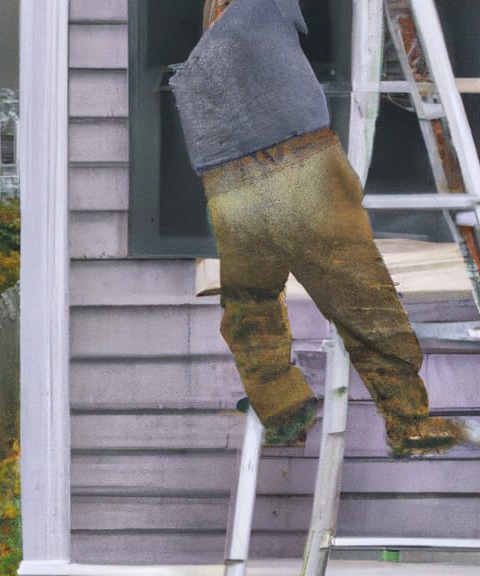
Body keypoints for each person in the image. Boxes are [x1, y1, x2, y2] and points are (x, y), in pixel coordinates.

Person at [169, 0, 460, 457]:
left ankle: (283, 409)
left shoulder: (218, 31)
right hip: (298, 162)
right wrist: (406, 73)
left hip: (227, 178)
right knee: (361, 295)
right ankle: (407, 419)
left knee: (251, 303)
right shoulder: (259, 11)